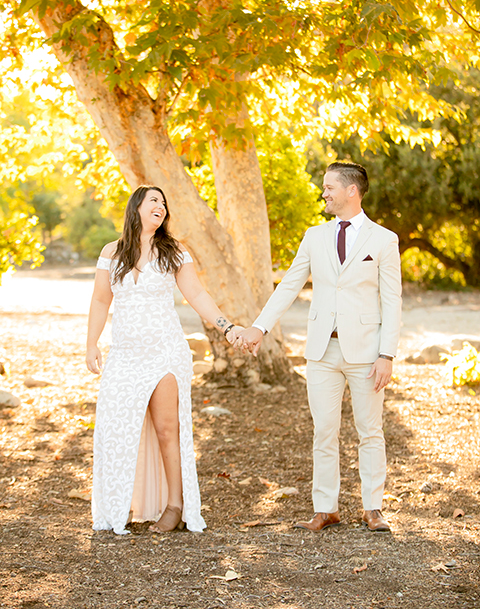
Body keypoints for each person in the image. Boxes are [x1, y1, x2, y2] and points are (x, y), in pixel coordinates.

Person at [237, 162, 402, 532]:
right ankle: (325, 508)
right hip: (321, 352)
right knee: (324, 431)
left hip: (367, 353)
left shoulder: (383, 240)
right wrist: (260, 327)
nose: (324, 192)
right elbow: (289, 286)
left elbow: (393, 301)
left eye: (330, 187)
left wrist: (386, 354)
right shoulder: (314, 236)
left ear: (351, 191)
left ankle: (372, 507)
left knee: (369, 430)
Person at [86, 185, 242, 535]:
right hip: (124, 354)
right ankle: (119, 504)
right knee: (117, 429)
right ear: (136, 206)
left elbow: (197, 294)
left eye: (164, 202)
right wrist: (91, 344)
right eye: (154, 200)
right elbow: (99, 301)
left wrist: (227, 327)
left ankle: (175, 505)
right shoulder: (112, 253)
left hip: (165, 352)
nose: (161, 205)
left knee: (167, 429)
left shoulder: (174, 251)